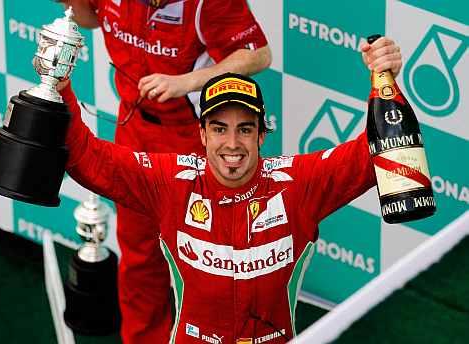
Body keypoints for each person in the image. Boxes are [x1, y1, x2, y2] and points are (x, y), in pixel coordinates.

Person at [58, 35, 403, 342]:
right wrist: (60, 88)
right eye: (220, 129)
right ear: (203, 135)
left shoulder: (297, 184)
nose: (232, 144)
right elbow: (91, 161)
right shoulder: (172, 183)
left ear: (262, 135)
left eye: (245, 129)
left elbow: (378, 150)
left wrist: (383, 79)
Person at [56, 0, 272, 342]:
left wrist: (186, 82)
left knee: (212, 258)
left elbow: (258, 54)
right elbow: (91, 18)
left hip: (193, 139)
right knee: (139, 254)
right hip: (133, 130)